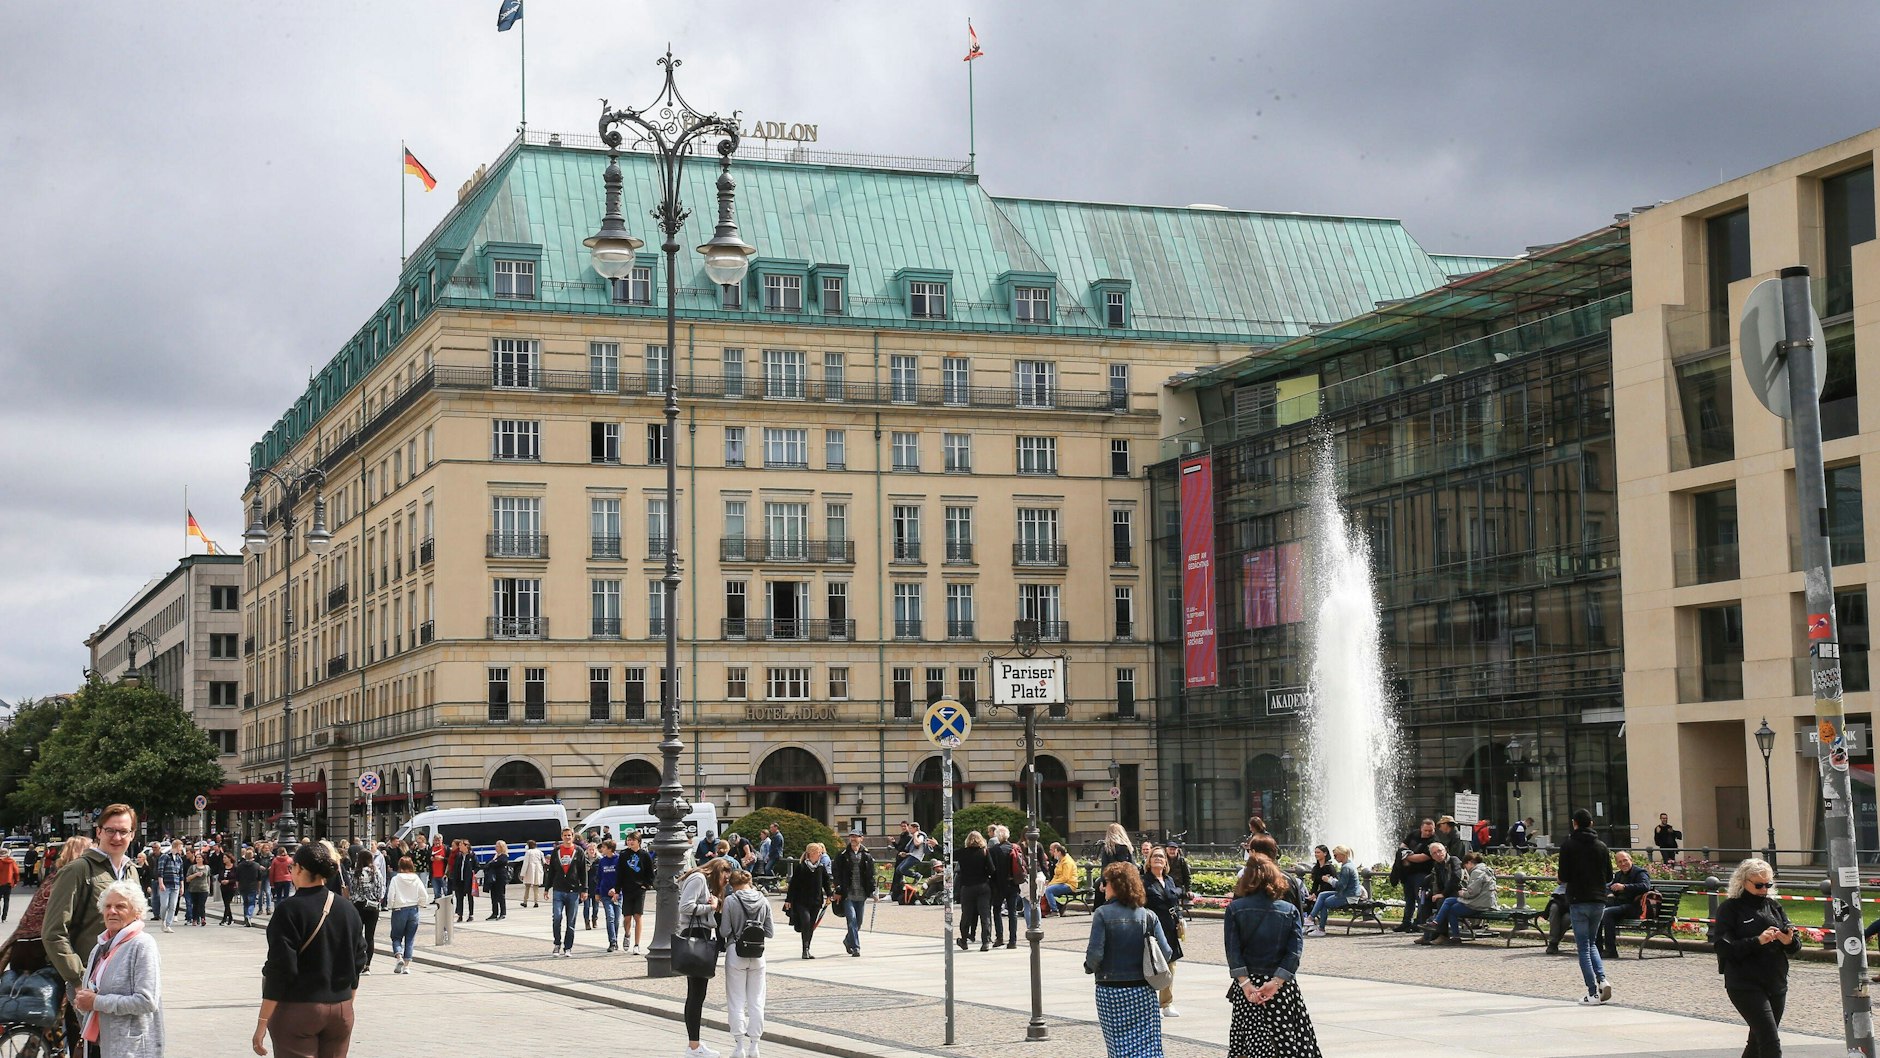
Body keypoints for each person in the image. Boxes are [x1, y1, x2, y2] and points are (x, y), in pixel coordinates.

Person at [254, 842, 365, 1058]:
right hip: (341, 1007)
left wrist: (262, 1021)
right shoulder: (347, 908)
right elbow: (359, 958)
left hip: (299, 1007)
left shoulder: (289, 909)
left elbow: (281, 967)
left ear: (300, 869)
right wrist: (347, 1000)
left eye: (292, 867)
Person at [46, 803, 142, 1050]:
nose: (117, 837)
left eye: (123, 831)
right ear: (98, 832)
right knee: (99, 1049)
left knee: (124, 1049)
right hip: (90, 982)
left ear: (132, 834)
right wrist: (78, 978)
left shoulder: (131, 871)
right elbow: (53, 931)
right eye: (110, 830)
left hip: (126, 984)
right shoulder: (79, 869)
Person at [1224, 852, 1321, 1058]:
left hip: (1248, 987)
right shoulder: (1289, 910)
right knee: (1288, 1042)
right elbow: (1294, 952)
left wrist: (1245, 983)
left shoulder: (1235, 909)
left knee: (1248, 1045)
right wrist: (1276, 982)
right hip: (1281, 986)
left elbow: (1233, 951)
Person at [1711, 857, 1799, 1057]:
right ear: (1743, 882)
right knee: (1770, 1041)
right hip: (1745, 984)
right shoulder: (1730, 908)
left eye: (1768, 884)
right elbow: (1723, 948)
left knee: (1757, 1042)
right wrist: (1757, 941)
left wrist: (1788, 941)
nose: (1764, 889)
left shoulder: (1773, 906)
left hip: (1776, 982)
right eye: (1759, 885)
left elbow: (1794, 945)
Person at [1084, 862, 1172, 1058]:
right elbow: (1166, 953)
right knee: (1147, 1046)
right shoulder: (1149, 916)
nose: (1102, 887)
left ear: (1116, 885)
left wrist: (1089, 967)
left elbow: (1095, 955)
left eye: (1105, 882)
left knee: (1118, 1046)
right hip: (1142, 989)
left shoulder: (1102, 914)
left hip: (1110, 989)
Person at [75, 879, 164, 1057]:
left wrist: (96, 1001)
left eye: (120, 906)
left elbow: (146, 1001)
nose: (112, 911)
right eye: (107, 906)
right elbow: (91, 996)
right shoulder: (100, 947)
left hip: (130, 1049)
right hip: (99, 1045)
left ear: (137, 912)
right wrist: (83, 1001)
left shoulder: (142, 945)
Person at [1559, 808, 1614, 1005]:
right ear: (1591, 823)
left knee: (1583, 947)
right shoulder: (1601, 846)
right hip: (1598, 900)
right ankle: (1602, 979)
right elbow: (1609, 876)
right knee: (1592, 944)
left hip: (1578, 899)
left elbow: (1563, 876)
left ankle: (1592, 992)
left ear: (1574, 823)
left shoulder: (1568, 846)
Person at [678, 859, 732, 1058]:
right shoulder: (699, 879)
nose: (724, 882)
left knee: (697, 993)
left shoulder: (702, 881)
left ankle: (695, 1043)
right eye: (724, 878)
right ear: (717, 871)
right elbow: (685, 907)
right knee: (696, 993)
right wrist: (711, 907)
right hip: (696, 936)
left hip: (702, 935)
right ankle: (693, 1047)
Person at [720, 869, 774, 1058]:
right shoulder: (764, 900)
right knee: (757, 1000)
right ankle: (755, 1045)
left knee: (736, 1000)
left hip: (736, 951)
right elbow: (770, 932)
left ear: (732, 885)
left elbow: (724, 931)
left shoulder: (731, 901)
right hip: (758, 953)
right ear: (749, 882)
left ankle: (739, 1046)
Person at [1143, 846, 1186, 1017]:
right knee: (1153, 965)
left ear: (1165, 861)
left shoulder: (1169, 880)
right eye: (1155, 856)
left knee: (1170, 965)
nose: (1158, 859)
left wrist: (1180, 917)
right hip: (1153, 927)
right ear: (1149, 860)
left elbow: (1174, 903)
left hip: (1170, 927)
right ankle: (1152, 1003)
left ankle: (1166, 1003)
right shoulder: (1144, 881)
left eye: (1161, 856)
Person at [1421, 851, 1497, 944]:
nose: (1466, 869)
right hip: (1482, 901)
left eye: (1465, 866)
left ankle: (1445, 929)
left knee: (1452, 909)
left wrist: (1463, 893)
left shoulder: (1477, 872)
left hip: (1480, 903)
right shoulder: (1484, 870)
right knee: (1448, 901)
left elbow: (1473, 892)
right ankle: (1438, 924)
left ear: (1469, 862)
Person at [783, 842, 833, 959]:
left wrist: (830, 895)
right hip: (801, 901)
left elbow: (826, 883)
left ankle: (807, 948)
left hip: (816, 901)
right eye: (818, 853)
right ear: (811, 854)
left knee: (811, 925)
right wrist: (788, 900)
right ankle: (805, 948)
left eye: (820, 853)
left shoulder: (820, 867)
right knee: (805, 922)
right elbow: (793, 885)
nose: (820, 855)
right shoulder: (801, 867)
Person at [1598, 850, 1651, 959]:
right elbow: (1609, 888)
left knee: (1607, 913)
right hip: (1620, 906)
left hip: (1635, 907)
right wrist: (1610, 894)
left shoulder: (1640, 872)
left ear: (1631, 860)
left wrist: (1625, 887)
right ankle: (1597, 948)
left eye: (1625, 860)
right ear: (1617, 864)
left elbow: (1645, 886)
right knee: (1597, 911)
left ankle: (1611, 950)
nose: (1623, 864)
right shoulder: (1618, 875)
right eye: (1620, 862)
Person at [830, 829, 875, 958]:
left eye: (856, 837)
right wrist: (838, 889)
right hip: (847, 893)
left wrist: (873, 891)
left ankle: (847, 940)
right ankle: (856, 947)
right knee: (852, 920)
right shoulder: (842, 855)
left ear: (862, 838)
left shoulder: (867, 855)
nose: (853, 839)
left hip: (861, 892)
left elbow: (871, 874)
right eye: (851, 837)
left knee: (859, 922)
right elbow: (836, 873)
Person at [385, 856, 432, 974]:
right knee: (410, 938)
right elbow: (424, 895)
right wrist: (421, 903)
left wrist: (391, 906)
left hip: (399, 909)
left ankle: (399, 956)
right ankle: (407, 966)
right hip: (413, 909)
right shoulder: (416, 878)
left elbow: (391, 895)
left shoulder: (396, 879)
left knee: (396, 936)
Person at [1389, 819, 1436, 931]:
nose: (1428, 833)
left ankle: (1419, 923)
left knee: (1421, 900)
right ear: (1421, 828)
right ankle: (1406, 922)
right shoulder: (1414, 834)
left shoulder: (1433, 841)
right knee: (1409, 899)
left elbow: (1423, 858)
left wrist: (1405, 857)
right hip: (1408, 874)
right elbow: (1403, 845)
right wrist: (1405, 853)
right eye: (1426, 830)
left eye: (1431, 830)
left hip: (1422, 874)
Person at [544, 829, 585, 958]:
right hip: (558, 890)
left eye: (569, 835)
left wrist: (585, 889)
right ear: (562, 836)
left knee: (571, 921)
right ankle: (557, 943)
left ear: (573, 837)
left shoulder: (579, 851)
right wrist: (547, 888)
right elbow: (551, 872)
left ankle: (568, 947)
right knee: (557, 917)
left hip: (573, 890)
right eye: (565, 835)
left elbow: (583, 872)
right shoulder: (556, 851)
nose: (567, 837)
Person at [343, 846, 383, 975]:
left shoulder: (355, 872)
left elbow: (352, 891)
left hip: (358, 906)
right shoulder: (376, 872)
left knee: (357, 934)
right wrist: (376, 899)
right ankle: (367, 965)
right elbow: (381, 890)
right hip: (372, 906)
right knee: (370, 936)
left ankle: (357, 961)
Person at [1306, 846, 1359, 937]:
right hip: (1347, 893)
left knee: (1324, 902)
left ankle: (1320, 928)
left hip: (1349, 896)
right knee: (1322, 895)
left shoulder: (1346, 868)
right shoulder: (1348, 864)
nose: (1334, 857)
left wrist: (1329, 880)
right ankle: (1311, 919)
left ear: (1342, 855)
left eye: (1336, 855)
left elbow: (1341, 886)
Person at [954, 831, 994, 953]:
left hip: (967, 887)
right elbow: (992, 869)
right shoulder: (984, 852)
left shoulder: (962, 853)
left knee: (966, 914)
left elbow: (948, 854)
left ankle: (964, 940)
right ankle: (985, 942)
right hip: (983, 886)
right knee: (985, 914)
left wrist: (936, 846)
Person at [1410, 842, 1460, 938]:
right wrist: (1429, 893)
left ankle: (1442, 935)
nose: (1438, 854)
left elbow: (1456, 879)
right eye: (1434, 853)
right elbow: (1435, 882)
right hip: (1445, 894)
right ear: (1432, 856)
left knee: (1441, 901)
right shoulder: (1437, 866)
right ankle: (1427, 934)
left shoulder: (1454, 860)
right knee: (1425, 901)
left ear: (1445, 850)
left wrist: (1443, 894)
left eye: (1439, 851)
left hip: (1457, 893)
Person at [988, 825, 1025, 950]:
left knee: (997, 910)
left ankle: (999, 938)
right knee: (1012, 913)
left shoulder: (994, 850)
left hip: (999, 885)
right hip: (1013, 884)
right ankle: (1013, 940)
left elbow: (991, 870)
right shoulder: (1015, 848)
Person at [619, 832, 654, 955]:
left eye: (633, 840)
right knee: (627, 917)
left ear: (638, 841)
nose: (630, 842)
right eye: (628, 840)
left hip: (639, 889)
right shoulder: (623, 855)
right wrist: (617, 890)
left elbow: (651, 873)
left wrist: (646, 885)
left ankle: (637, 944)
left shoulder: (645, 855)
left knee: (637, 916)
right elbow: (619, 873)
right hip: (627, 889)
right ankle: (627, 934)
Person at [591, 839, 622, 951]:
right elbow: (599, 878)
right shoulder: (602, 861)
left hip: (617, 894)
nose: (602, 849)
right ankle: (612, 942)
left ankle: (616, 939)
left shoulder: (618, 860)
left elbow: (622, 878)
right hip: (605, 893)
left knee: (617, 919)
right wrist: (597, 892)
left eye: (603, 847)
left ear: (609, 849)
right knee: (610, 917)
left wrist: (617, 889)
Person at [1094, 824, 1134, 910]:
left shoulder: (1107, 848)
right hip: (1126, 877)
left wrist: (1103, 882)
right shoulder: (1128, 847)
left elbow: (1105, 866)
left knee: (1098, 888)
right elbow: (1132, 864)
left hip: (1112, 877)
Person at [154, 840, 186, 933]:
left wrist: (182, 886)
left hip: (175, 885)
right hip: (166, 884)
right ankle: (163, 920)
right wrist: (161, 883)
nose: (181, 849)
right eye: (181, 847)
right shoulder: (165, 857)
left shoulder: (179, 859)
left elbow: (181, 874)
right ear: (177, 846)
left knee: (173, 906)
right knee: (164, 905)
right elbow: (160, 870)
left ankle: (168, 924)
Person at [1043, 843, 1078, 916]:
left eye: (1055, 852)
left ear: (1059, 852)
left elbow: (1065, 878)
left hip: (1070, 884)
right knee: (1045, 889)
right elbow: (1056, 876)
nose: (1054, 854)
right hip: (1062, 883)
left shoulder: (1067, 862)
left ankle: (1055, 910)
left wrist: (1051, 884)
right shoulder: (1060, 861)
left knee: (1049, 890)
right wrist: (1050, 883)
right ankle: (1060, 906)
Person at [235, 848, 265, 926]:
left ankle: (246, 917)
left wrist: (238, 887)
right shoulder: (256, 865)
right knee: (251, 903)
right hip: (253, 886)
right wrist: (258, 888)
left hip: (243, 886)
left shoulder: (240, 865)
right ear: (252, 856)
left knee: (245, 903)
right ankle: (249, 915)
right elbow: (259, 879)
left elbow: (237, 878)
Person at [483, 841, 510, 922]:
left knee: (500, 895)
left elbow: (500, 862)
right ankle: (494, 913)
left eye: (498, 846)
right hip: (493, 879)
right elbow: (487, 863)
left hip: (500, 878)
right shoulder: (494, 856)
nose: (496, 847)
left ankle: (503, 913)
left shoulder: (504, 856)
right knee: (493, 896)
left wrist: (492, 863)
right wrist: (492, 863)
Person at [185, 851, 211, 927]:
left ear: (203, 859)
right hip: (194, 889)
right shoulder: (192, 867)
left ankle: (203, 919)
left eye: (199, 857)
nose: (198, 859)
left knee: (202, 904)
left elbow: (208, 877)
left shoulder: (207, 867)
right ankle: (195, 919)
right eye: (197, 857)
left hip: (204, 888)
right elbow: (188, 879)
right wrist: (195, 874)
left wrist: (209, 887)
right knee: (195, 905)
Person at [520, 839, 545, 908]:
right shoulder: (539, 852)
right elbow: (544, 861)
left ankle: (525, 902)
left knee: (527, 887)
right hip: (538, 869)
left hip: (529, 870)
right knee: (536, 887)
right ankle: (536, 902)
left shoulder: (528, 852)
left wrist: (522, 874)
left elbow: (525, 863)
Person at [0, 848, 18, 924]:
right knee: (6, 901)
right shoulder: (12, 861)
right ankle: (4, 918)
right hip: (8, 883)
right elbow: (16, 872)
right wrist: (16, 881)